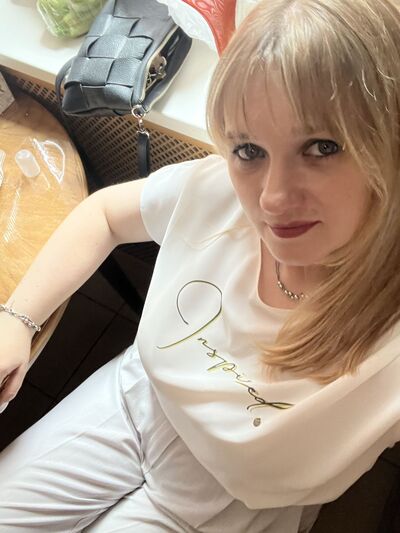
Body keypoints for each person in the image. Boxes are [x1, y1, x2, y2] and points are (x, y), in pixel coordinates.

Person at [0, 0, 399, 531]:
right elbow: (106, 215)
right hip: (137, 401)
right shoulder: (216, 191)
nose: (272, 199)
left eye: (322, 147)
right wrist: (17, 319)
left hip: (236, 496)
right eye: (249, 150)